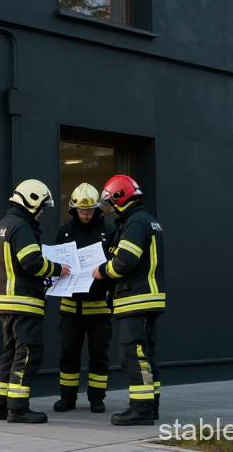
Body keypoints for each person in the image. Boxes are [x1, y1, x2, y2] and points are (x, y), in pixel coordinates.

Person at [0, 179, 70, 424]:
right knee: (28, 353)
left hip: (4, 303)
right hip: (24, 303)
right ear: (32, 201)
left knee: (10, 353)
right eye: (42, 206)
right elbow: (32, 262)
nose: (42, 212)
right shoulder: (21, 227)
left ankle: (1, 407)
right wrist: (57, 268)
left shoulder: (0, 227)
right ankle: (19, 409)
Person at [92, 175, 165, 426]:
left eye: (110, 203)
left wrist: (102, 271)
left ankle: (141, 410)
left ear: (118, 198)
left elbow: (124, 262)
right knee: (146, 354)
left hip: (135, 299)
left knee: (132, 355)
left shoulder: (135, 223)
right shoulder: (145, 220)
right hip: (146, 299)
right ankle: (150, 406)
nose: (109, 209)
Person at [52, 183, 115, 414]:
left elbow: (115, 267)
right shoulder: (64, 232)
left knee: (99, 355)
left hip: (99, 307)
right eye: (81, 210)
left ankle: (96, 399)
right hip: (70, 307)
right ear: (73, 210)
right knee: (68, 354)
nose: (85, 214)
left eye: (89, 210)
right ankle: (67, 398)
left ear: (97, 208)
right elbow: (57, 263)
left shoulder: (108, 232)